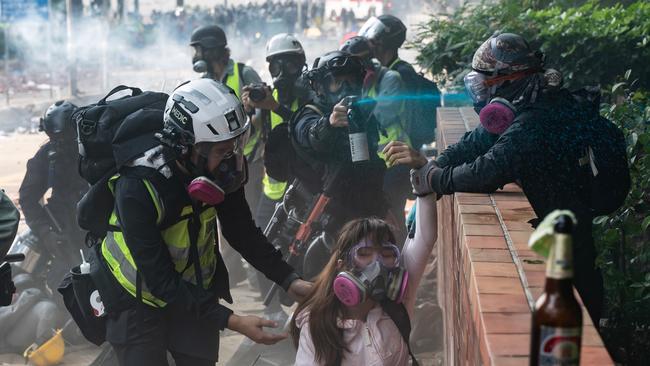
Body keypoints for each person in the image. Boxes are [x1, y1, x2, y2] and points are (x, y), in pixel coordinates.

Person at [100, 79, 311, 366]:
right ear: (185, 147)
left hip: (193, 290)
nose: (231, 160)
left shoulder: (220, 172)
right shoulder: (138, 186)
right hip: (138, 298)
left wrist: (289, 279)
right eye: (221, 151)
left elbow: (242, 232)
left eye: (235, 146)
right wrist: (231, 320)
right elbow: (160, 281)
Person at [411, 33, 604, 323]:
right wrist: (437, 164)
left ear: (509, 79)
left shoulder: (537, 117)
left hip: (567, 231)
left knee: (576, 313)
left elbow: (488, 171)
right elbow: (475, 142)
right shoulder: (523, 104)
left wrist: (438, 180)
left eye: (486, 81)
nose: (481, 90)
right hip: (550, 218)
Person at [291, 142, 437, 365]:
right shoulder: (317, 324)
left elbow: (425, 238)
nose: (377, 263)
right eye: (365, 253)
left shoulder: (396, 304)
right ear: (342, 264)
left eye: (386, 253)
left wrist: (422, 170)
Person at [288, 50, 389, 280]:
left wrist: (383, 207)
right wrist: (330, 124)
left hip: (365, 212)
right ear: (321, 87)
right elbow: (310, 136)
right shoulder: (309, 114)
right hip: (327, 220)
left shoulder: (362, 115)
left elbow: (369, 164)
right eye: (336, 82)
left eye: (350, 80)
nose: (345, 88)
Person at [190, 24, 264, 286]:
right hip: (219, 164)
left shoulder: (244, 73)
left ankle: (258, 276)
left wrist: (246, 114)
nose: (195, 55)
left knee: (249, 218)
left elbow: (262, 115)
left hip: (249, 159)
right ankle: (234, 275)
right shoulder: (204, 82)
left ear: (211, 50)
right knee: (224, 221)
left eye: (198, 49)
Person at [340, 35, 411, 240]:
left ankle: (400, 259)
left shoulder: (389, 79)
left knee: (391, 214)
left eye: (361, 62)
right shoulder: (353, 86)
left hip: (395, 158)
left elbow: (381, 115)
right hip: (371, 162)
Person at [18, 100, 88, 290]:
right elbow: (27, 197)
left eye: (66, 138)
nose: (62, 144)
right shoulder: (47, 155)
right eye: (56, 139)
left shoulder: (93, 148)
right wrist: (45, 232)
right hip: (63, 230)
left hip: (95, 225)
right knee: (63, 284)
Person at [359, 14, 441, 149]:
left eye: (374, 38)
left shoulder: (400, 74)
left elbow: (391, 116)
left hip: (401, 148)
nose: (370, 43)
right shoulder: (391, 69)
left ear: (383, 42)